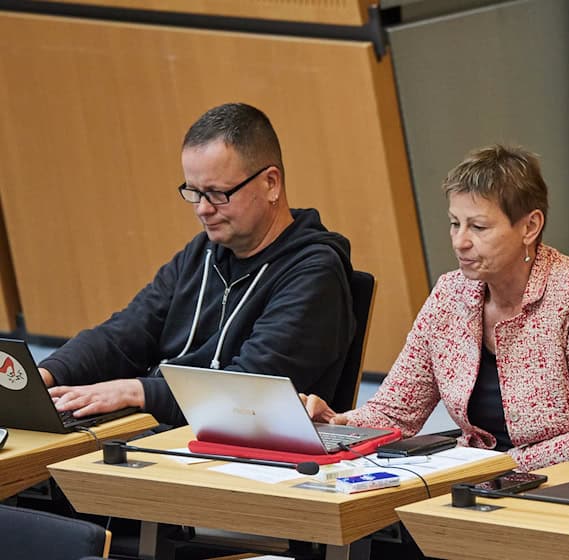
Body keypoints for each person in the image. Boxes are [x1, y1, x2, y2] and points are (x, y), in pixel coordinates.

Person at [304, 144, 569, 471]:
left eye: (479, 227)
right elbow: (397, 409)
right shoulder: (450, 294)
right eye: (455, 223)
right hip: (491, 486)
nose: (460, 241)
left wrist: (497, 467)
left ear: (530, 226)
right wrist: (339, 424)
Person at [41, 103, 355, 426]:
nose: (203, 209)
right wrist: (45, 375)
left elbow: (247, 395)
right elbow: (125, 333)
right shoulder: (203, 251)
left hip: (230, 456)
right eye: (194, 192)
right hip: (164, 434)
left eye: (217, 193)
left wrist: (137, 392)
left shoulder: (315, 273)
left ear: (271, 183)